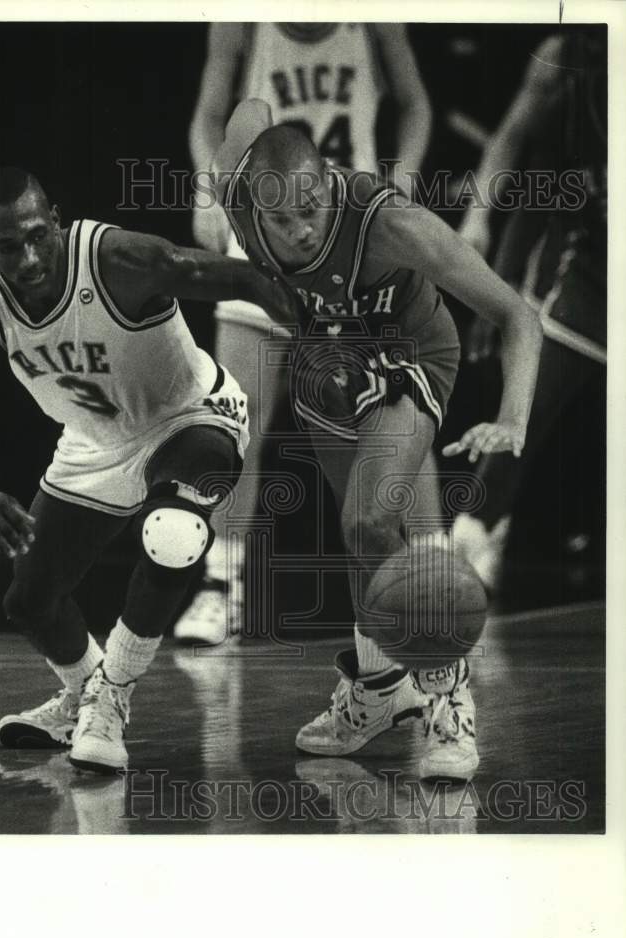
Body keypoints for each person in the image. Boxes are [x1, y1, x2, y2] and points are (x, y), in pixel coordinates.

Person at [0, 166, 303, 772]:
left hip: (192, 417)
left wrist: (322, 333)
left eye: (36, 236)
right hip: (94, 444)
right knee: (28, 601)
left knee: (173, 535)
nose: (28, 258)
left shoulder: (117, 260)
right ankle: (81, 694)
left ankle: (112, 699)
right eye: (7, 246)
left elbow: (243, 279)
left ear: (55, 219)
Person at [211, 100, 544, 779]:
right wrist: (263, 127)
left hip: (409, 358)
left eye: (312, 208)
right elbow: (247, 113)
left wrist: (510, 418)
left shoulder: (385, 222)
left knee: (369, 516)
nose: (302, 231)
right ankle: (377, 688)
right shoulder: (235, 191)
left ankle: (449, 700)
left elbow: (515, 315)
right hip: (327, 362)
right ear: (252, 202)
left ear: (327, 183)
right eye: (284, 219)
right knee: (361, 540)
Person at [177, 22, 435, 644]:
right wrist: (210, 191)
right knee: (238, 413)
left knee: (400, 402)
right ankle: (220, 584)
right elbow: (208, 117)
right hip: (267, 228)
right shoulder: (240, 21)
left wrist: (400, 183)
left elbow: (417, 105)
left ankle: (432, 572)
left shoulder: (374, 21)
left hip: (347, 227)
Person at [453, 29, 606, 589]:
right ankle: (473, 538)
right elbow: (510, 143)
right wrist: (476, 222)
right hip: (592, 275)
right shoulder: (565, 60)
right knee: (526, 406)